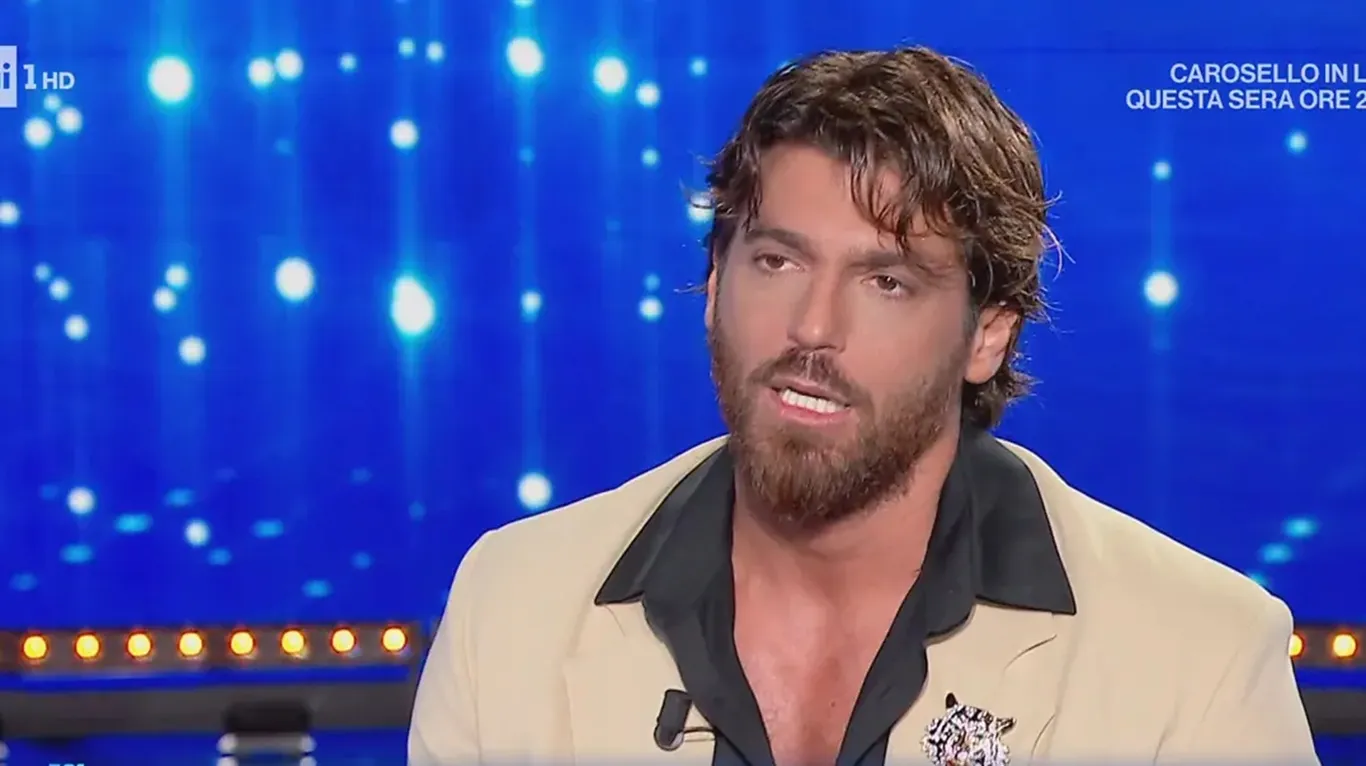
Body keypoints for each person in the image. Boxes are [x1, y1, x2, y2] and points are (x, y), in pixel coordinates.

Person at [409, 46, 1318, 766]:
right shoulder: (513, 610)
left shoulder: (1196, 663)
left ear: (987, 336)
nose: (812, 326)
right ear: (716, 280)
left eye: (886, 282)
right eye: (777, 261)